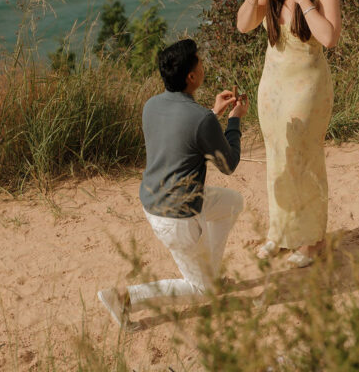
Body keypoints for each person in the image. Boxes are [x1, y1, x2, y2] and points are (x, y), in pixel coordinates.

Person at [97, 37, 249, 331]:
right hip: (178, 215)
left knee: (232, 203)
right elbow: (228, 165)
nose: (203, 66)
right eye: (200, 63)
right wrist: (233, 121)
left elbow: (183, 135)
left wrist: (212, 114)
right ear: (191, 76)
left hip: (154, 201)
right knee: (199, 290)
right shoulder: (200, 119)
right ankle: (123, 298)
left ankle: (211, 275)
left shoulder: (152, 105)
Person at [237, 0, 341, 267]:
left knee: (303, 160)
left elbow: (329, 38)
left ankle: (311, 241)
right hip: (273, 88)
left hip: (308, 88)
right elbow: (243, 26)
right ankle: (280, 234)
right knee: (277, 160)